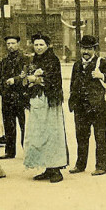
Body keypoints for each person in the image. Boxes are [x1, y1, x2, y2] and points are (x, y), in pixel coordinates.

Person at [68, 35, 106, 176]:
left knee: (100, 137)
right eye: (83, 48)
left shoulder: (101, 63)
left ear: (94, 49)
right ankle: (80, 165)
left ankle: (101, 166)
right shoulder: (77, 64)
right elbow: (73, 84)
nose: (86, 51)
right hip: (80, 108)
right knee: (81, 137)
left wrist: (102, 76)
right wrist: (72, 102)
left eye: (89, 48)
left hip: (98, 108)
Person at [23, 33, 69, 183]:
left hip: (50, 100)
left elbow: (53, 79)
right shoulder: (34, 60)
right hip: (37, 100)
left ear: (48, 46)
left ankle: (56, 168)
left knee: (51, 133)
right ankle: (46, 167)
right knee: (39, 134)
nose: (38, 47)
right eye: (36, 45)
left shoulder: (53, 60)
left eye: (41, 45)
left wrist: (37, 79)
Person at [0, 35, 28, 159]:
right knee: (9, 124)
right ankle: (10, 152)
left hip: (21, 95)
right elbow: (1, 77)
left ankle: (27, 151)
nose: (10, 46)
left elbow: (26, 75)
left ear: (18, 44)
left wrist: (15, 80)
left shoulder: (24, 59)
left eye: (13, 43)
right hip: (7, 96)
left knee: (24, 124)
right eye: (8, 43)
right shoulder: (4, 60)